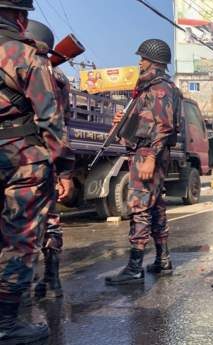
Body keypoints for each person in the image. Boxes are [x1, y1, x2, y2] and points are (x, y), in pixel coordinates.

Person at [0, 0, 74, 342]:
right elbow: (50, 119)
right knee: (19, 238)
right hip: (23, 159)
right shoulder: (28, 56)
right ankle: (7, 323)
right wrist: (64, 168)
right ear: (20, 17)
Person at [105, 39, 180, 285]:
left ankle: (134, 268)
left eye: (143, 58)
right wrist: (124, 118)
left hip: (148, 154)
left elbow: (164, 127)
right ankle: (163, 259)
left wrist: (149, 158)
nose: (140, 62)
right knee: (156, 207)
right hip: (148, 152)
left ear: (155, 63)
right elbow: (147, 121)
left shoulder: (159, 88)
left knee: (139, 208)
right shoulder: (150, 88)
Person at [24, 19, 74, 299]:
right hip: (46, 155)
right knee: (50, 219)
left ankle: (18, 283)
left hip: (20, 152)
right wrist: (64, 169)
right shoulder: (58, 78)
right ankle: (52, 279)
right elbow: (58, 123)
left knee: (16, 220)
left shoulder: (23, 66)